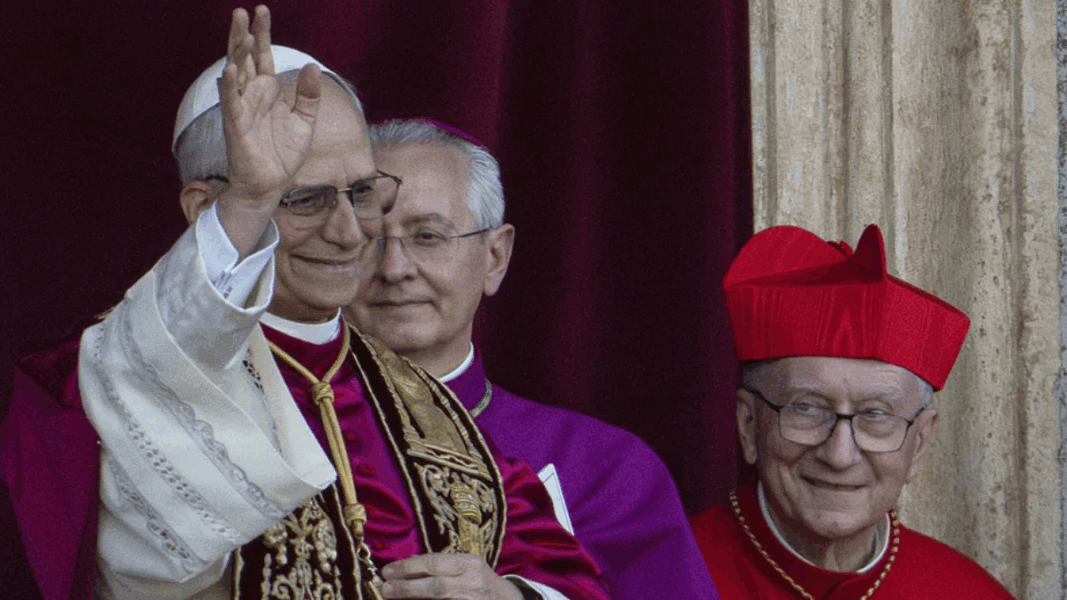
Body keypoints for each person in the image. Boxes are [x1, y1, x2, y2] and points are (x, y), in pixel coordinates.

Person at [0, 7, 609, 600]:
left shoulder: (428, 410)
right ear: (204, 209)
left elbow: (565, 576)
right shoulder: (106, 379)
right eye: (304, 200)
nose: (348, 232)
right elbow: (156, 365)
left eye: (363, 193)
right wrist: (251, 200)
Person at [345, 119, 719, 600]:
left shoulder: (606, 470)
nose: (394, 269)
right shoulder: (277, 436)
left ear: (495, 257)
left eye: (427, 237)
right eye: (371, 237)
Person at [689, 224, 1016, 598]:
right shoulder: (662, 575)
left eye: (875, 415)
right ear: (749, 425)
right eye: (808, 408)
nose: (839, 455)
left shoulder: (970, 594)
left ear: (920, 443)